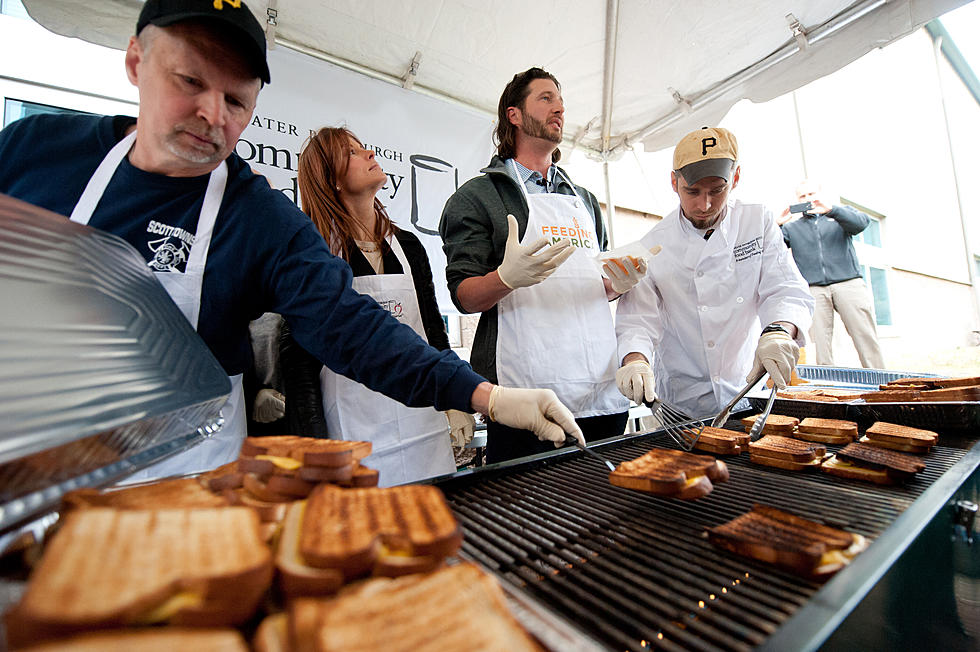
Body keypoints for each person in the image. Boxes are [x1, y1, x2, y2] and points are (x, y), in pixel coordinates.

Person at [0, 0, 584, 480]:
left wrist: (483, 396)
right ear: (135, 61)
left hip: (185, 482)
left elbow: (351, 326)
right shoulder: (32, 154)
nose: (211, 114)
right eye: (189, 81)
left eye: (236, 101)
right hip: (33, 466)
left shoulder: (258, 218)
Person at [439, 67, 647, 464]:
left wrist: (616, 283)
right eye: (546, 98)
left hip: (602, 393)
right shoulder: (477, 197)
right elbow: (464, 296)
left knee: (608, 509)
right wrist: (505, 278)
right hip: (526, 399)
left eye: (561, 100)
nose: (560, 108)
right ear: (514, 115)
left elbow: (590, 286)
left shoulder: (584, 199)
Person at [279, 126, 475, 485]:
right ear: (330, 178)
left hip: (423, 424)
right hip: (354, 432)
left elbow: (433, 331)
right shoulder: (315, 253)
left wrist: (455, 397)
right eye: (352, 153)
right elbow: (299, 362)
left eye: (363, 147)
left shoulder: (409, 247)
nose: (369, 154)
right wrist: (315, 445)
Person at [615, 127, 814, 419]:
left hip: (747, 389)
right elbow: (637, 321)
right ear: (674, 182)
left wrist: (778, 333)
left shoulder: (756, 222)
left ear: (735, 178)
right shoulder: (653, 245)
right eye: (692, 191)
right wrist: (635, 360)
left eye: (716, 190)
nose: (704, 205)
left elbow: (785, 288)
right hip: (680, 403)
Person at [778, 179, 886, 369]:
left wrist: (832, 210)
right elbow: (772, 248)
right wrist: (777, 225)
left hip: (848, 284)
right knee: (820, 343)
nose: (808, 198)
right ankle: (826, 386)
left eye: (811, 194)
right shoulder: (791, 227)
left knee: (864, 335)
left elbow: (861, 223)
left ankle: (879, 379)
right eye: (802, 196)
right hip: (814, 289)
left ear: (820, 195)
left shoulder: (839, 217)